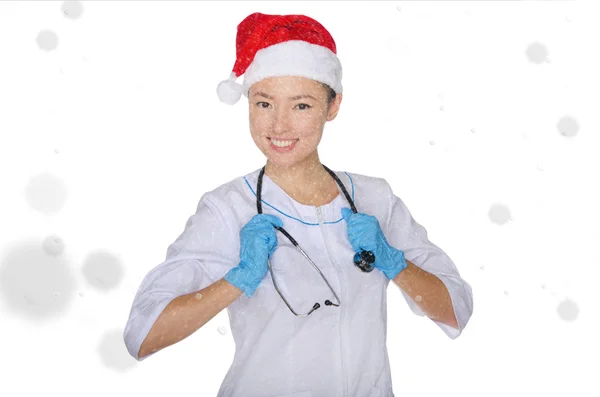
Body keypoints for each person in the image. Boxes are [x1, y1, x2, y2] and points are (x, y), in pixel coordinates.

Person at [123, 12, 473, 397]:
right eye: (264, 104)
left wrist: (394, 262)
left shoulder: (375, 199)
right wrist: (237, 280)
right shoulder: (228, 209)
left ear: (333, 105)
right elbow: (143, 334)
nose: (279, 126)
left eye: (301, 106)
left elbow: (455, 310)